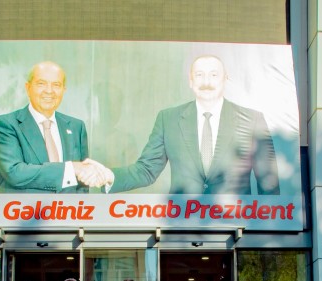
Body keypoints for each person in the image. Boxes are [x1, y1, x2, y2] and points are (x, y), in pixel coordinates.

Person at [106, 55, 279, 195]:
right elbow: (146, 171)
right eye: (199, 75)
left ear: (225, 79)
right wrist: (108, 177)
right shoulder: (168, 119)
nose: (206, 82)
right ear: (190, 81)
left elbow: (268, 182)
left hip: (235, 223)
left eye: (214, 75)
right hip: (182, 222)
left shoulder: (252, 120)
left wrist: (270, 225)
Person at [0, 61, 111, 193]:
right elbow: (14, 173)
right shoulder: (5, 124)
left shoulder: (76, 127)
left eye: (56, 85)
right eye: (41, 84)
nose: (49, 91)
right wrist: (71, 168)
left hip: (68, 207)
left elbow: (82, 184)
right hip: (23, 207)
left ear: (63, 90)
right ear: (28, 88)